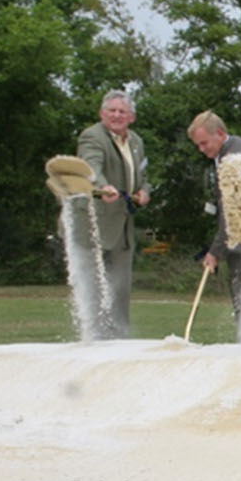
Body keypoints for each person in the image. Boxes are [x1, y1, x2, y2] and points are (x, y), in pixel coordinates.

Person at [74, 90, 151, 339]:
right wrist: (101, 186)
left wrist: (145, 191)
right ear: (102, 113)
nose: (117, 115)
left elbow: (143, 176)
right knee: (94, 289)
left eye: (122, 111)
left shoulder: (137, 142)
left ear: (132, 117)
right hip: (93, 226)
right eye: (112, 110)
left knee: (120, 290)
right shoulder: (92, 137)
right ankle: (94, 341)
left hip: (123, 226)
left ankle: (120, 342)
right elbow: (90, 166)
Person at [187, 110, 241, 318]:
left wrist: (215, 251)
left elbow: (232, 212)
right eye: (198, 145)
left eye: (204, 143)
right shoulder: (226, 153)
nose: (201, 149)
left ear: (219, 133)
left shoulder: (235, 158)